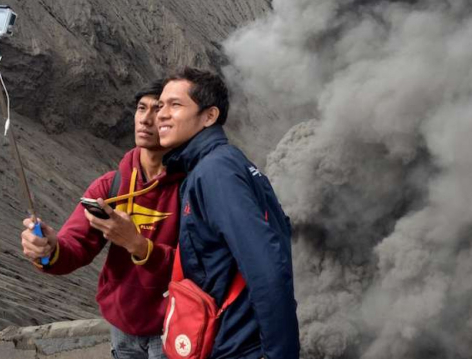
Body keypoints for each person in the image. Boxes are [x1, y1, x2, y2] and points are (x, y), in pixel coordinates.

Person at [20, 80, 184, 359]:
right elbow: (75, 245)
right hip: (123, 329)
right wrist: (48, 248)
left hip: (176, 327)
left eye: (157, 110)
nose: (145, 119)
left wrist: (137, 245)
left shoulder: (193, 187)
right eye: (141, 108)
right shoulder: (111, 186)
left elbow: (205, 264)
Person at [157, 67, 300, 359]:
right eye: (160, 105)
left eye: (175, 105)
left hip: (237, 348)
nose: (161, 114)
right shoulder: (222, 164)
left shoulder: (214, 172)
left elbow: (267, 269)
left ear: (209, 116)